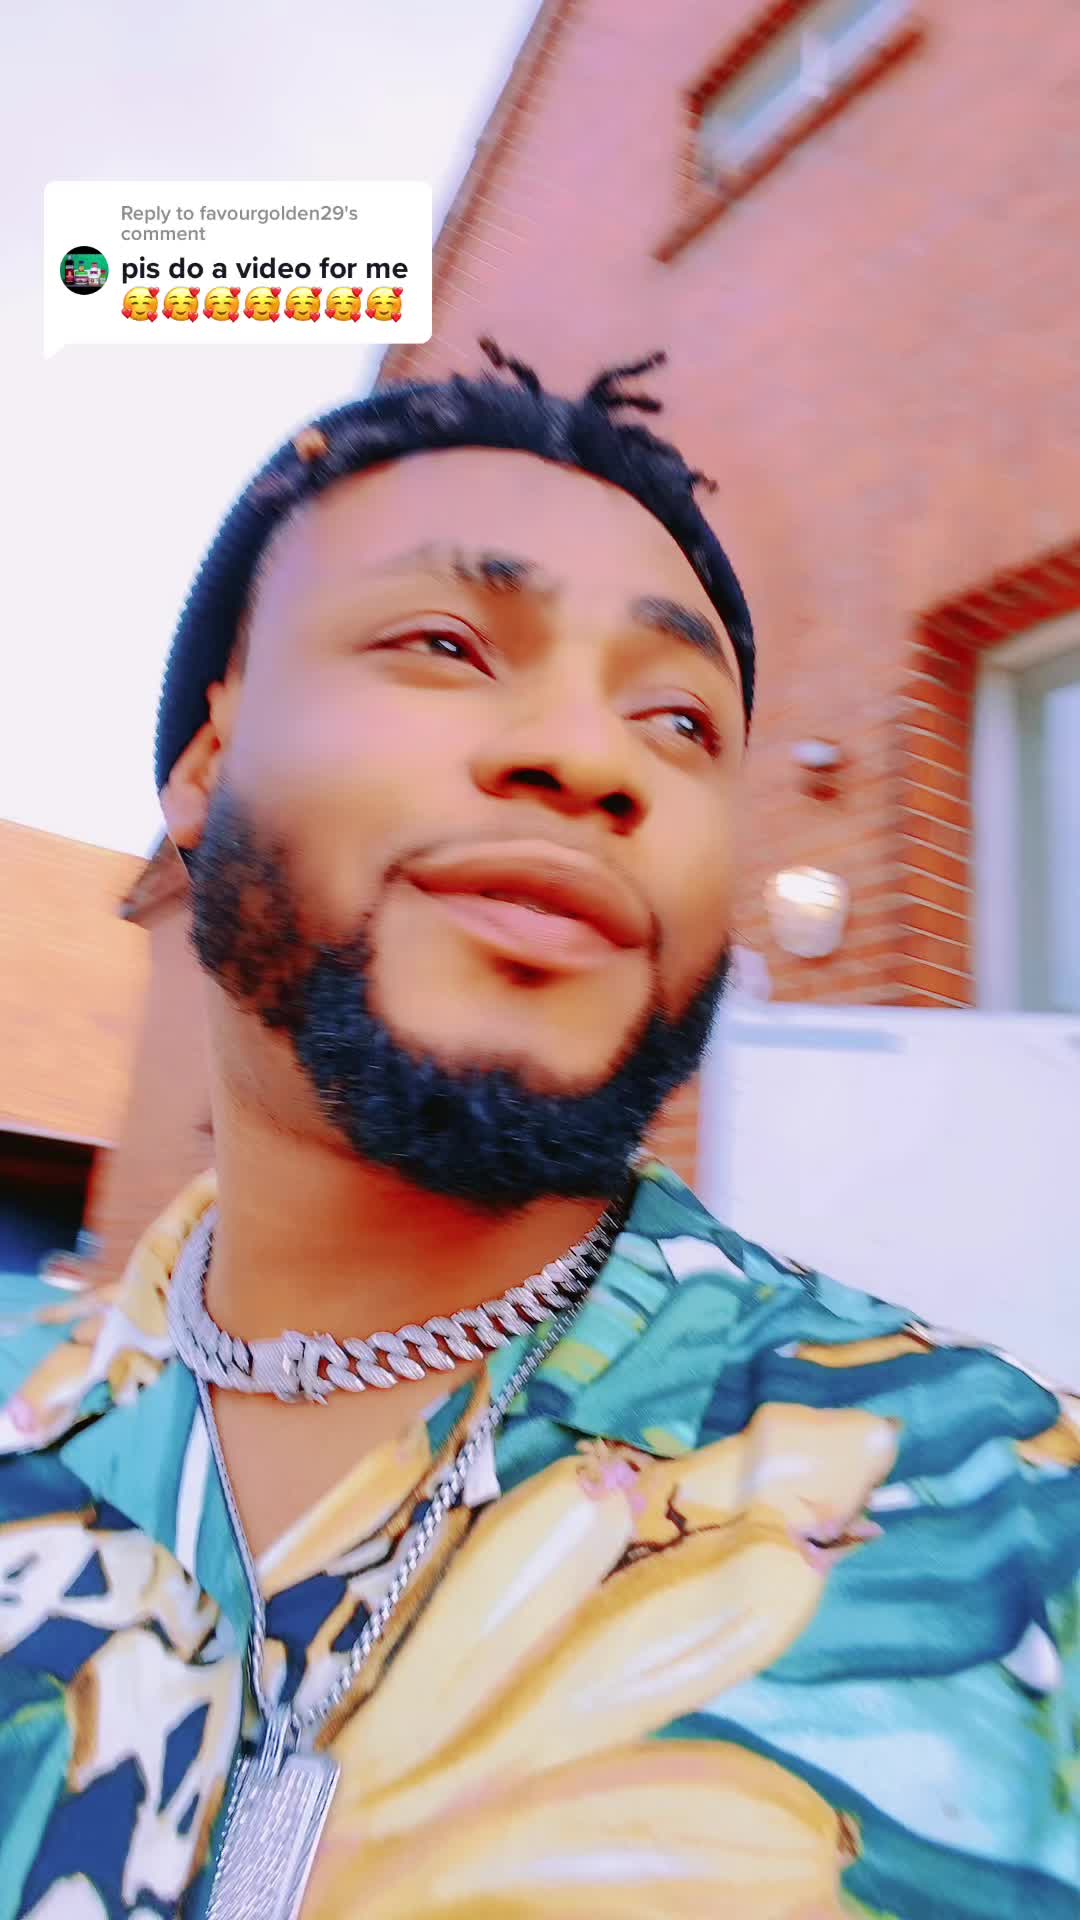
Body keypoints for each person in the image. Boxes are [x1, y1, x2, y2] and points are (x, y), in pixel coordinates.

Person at [1, 344, 1076, 1920]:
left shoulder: (1008, 1516)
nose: (589, 757)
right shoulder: (27, 1422)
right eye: (446, 644)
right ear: (209, 765)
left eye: (682, 721)